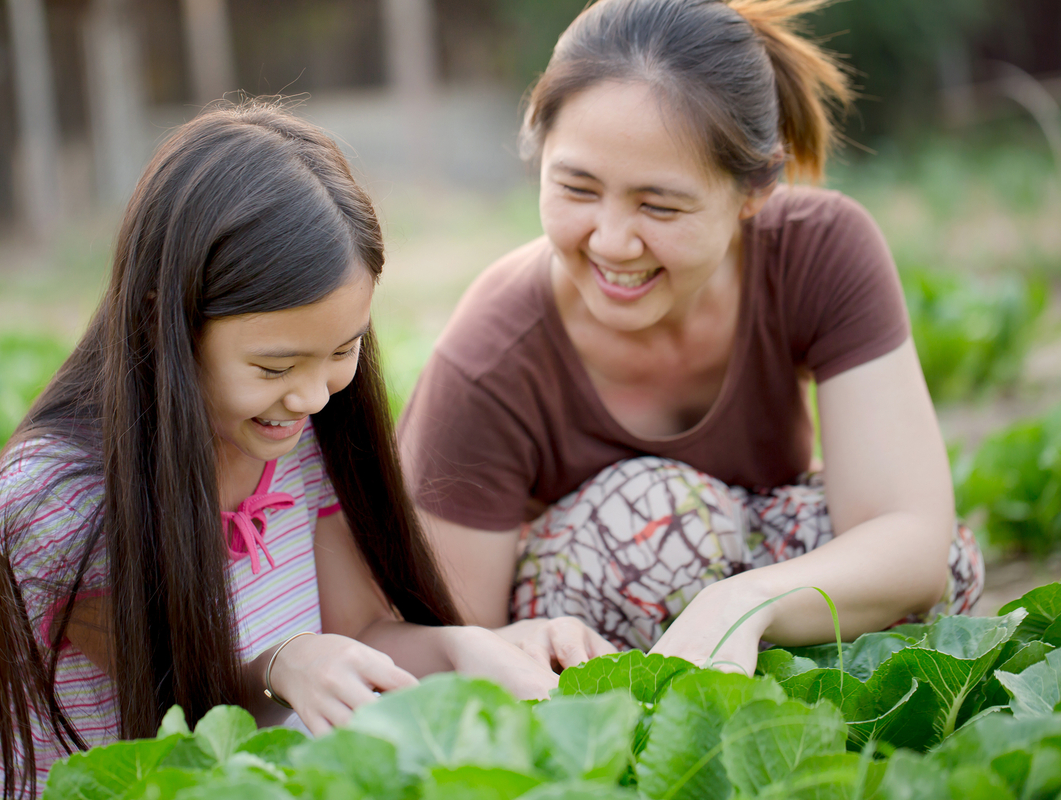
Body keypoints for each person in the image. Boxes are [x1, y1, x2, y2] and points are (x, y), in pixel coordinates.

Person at [0, 103, 557, 800]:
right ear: (167, 319)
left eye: (343, 351)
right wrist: (284, 661)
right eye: (276, 368)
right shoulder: (57, 496)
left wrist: (462, 651)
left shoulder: (298, 437)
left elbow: (359, 633)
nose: (314, 396)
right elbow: (180, 715)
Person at [398, 0, 984, 678]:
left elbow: (910, 540)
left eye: (659, 205)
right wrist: (525, 643)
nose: (612, 241)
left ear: (756, 189)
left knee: (944, 563)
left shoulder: (820, 251)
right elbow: (446, 634)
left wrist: (740, 603)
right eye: (577, 189)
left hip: (746, 583)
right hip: (582, 650)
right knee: (653, 520)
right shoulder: (493, 354)